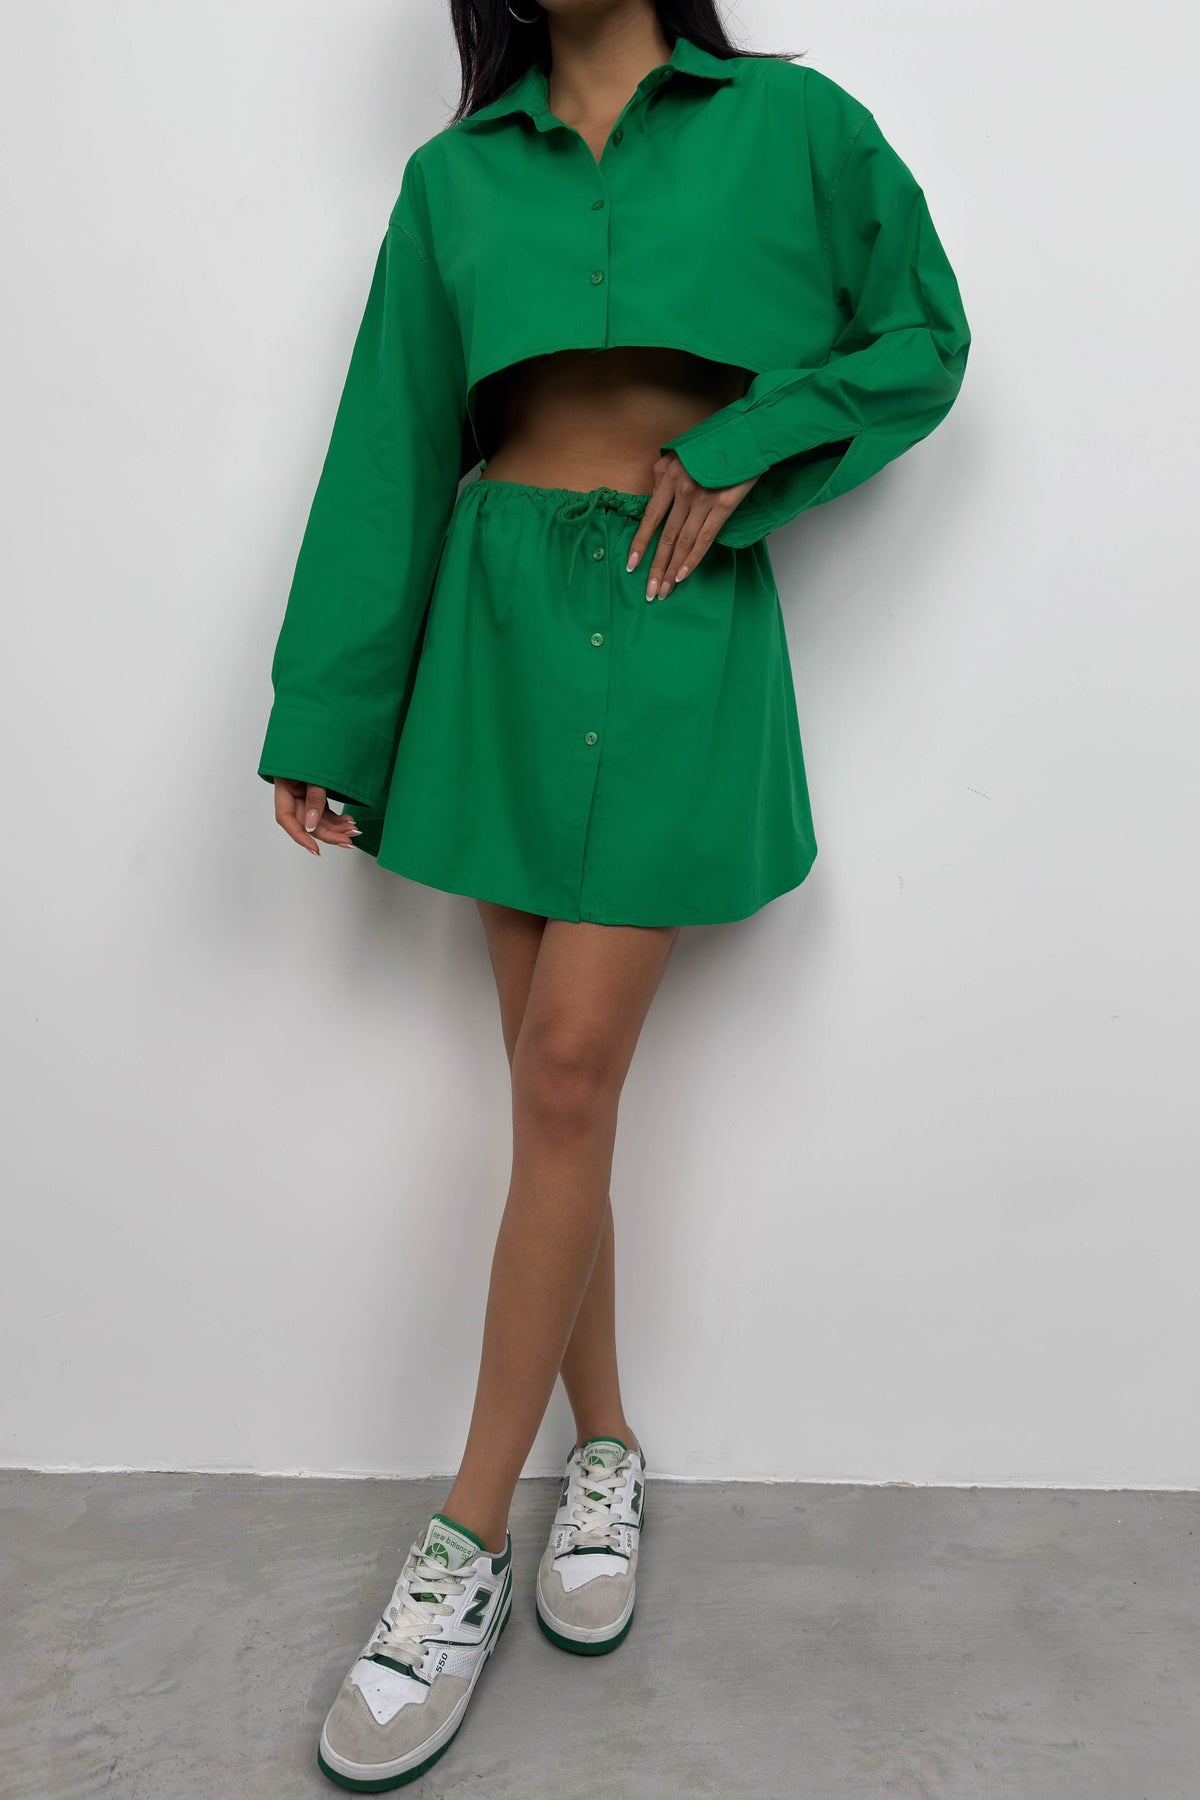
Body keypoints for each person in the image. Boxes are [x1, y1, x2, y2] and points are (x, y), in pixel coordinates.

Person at [255, 1, 971, 1788]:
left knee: (568, 1075)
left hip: (669, 619)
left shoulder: (793, 129)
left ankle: (462, 1545)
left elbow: (922, 337)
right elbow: (391, 444)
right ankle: (610, 1454)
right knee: (551, 1098)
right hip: (495, 624)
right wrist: (330, 710)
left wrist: (745, 444)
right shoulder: (453, 182)